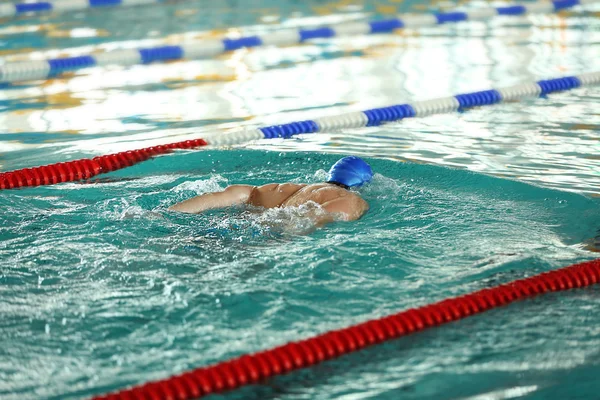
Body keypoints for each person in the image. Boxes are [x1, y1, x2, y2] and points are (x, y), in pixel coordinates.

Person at [169, 156, 373, 225]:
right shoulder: (350, 199)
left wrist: (167, 215)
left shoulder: (279, 189)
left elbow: (232, 194)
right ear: (360, 185)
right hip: (258, 243)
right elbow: (305, 223)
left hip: (228, 224)